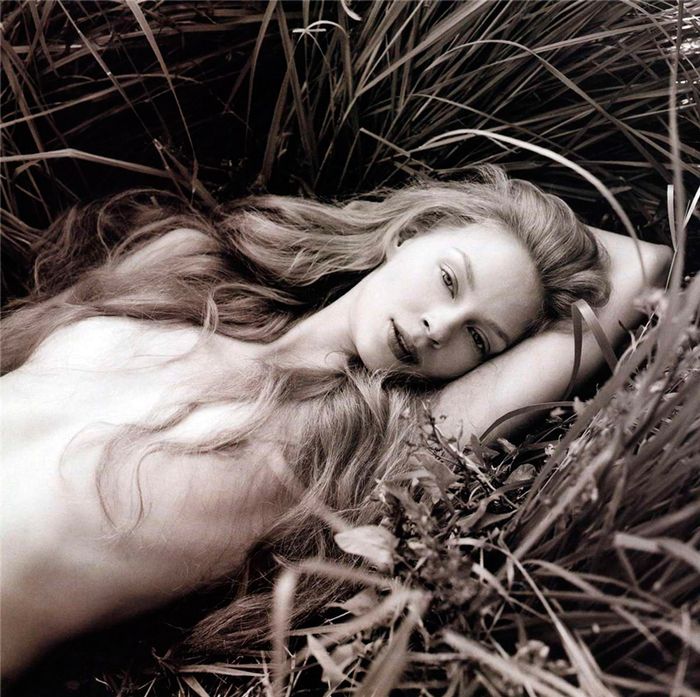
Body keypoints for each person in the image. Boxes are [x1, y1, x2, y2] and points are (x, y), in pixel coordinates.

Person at [0, 167, 671, 677]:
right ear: (407, 234)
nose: (439, 326)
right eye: (448, 279)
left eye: (479, 337)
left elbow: (642, 262)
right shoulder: (187, 277)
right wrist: (504, 217)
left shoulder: (355, 446)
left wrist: (538, 265)